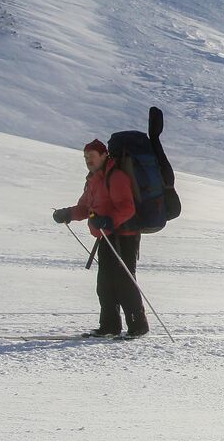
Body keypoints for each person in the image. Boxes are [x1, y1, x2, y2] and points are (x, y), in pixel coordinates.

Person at [52, 139, 148, 338]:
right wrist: (67, 214)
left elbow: (127, 208)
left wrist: (108, 221)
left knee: (124, 281)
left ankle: (138, 327)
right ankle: (109, 326)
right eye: (85, 157)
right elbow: (85, 207)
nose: (88, 160)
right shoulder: (93, 180)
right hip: (106, 235)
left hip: (125, 236)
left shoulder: (117, 177)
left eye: (91, 156)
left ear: (104, 155)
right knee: (105, 282)